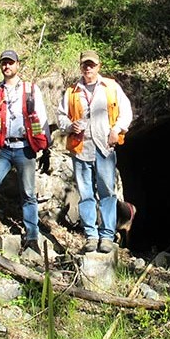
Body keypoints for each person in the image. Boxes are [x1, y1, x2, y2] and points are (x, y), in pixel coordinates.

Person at [57, 50, 133, 253]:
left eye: (92, 64)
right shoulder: (72, 91)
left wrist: (116, 130)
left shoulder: (110, 87)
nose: (88, 68)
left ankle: (107, 235)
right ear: (80, 67)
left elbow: (126, 112)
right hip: (81, 148)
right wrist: (69, 126)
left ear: (98, 66)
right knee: (86, 193)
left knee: (107, 192)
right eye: (85, 65)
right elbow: (61, 116)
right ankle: (91, 235)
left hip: (104, 147)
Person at [0, 50, 51, 254]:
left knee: (28, 193)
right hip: (2, 150)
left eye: (10, 63)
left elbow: (42, 118)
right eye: (4, 63)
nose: (7, 66)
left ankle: (32, 237)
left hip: (25, 148)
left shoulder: (31, 90)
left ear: (18, 65)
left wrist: (46, 149)